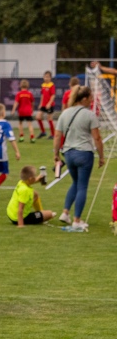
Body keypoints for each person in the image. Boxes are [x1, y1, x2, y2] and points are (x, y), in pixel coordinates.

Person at [54, 85, 105, 232]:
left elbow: (58, 135)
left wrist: (56, 154)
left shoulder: (65, 113)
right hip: (84, 154)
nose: (91, 100)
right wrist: (101, 156)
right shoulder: (89, 115)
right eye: (90, 97)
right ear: (84, 99)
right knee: (82, 186)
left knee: (75, 183)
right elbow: (97, 138)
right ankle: (77, 220)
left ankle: (65, 212)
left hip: (69, 153)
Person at [14, 78, 36, 143]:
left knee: (20, 124)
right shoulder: (30, 94)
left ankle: (21, 137)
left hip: (21, 111)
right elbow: (32, 103)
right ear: (27, 86)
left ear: (20, 85)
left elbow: (16, 103)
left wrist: (13, 110)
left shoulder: (19, 94)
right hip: (28, 111)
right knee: (30, 124)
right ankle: (32, 137)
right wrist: (32, 109)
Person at [38, 71, 56, 139]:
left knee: (49, 119)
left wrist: (49, 103)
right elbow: (42, 95)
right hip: (43, 105)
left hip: (49, 105)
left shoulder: (51, 85)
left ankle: (53, 134)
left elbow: (53, 95)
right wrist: (40, 103)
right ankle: (43, 132)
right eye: (45, 77)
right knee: (38, 117)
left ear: (50, 78)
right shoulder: (43, 85)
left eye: (48, 77)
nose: (46, 78)